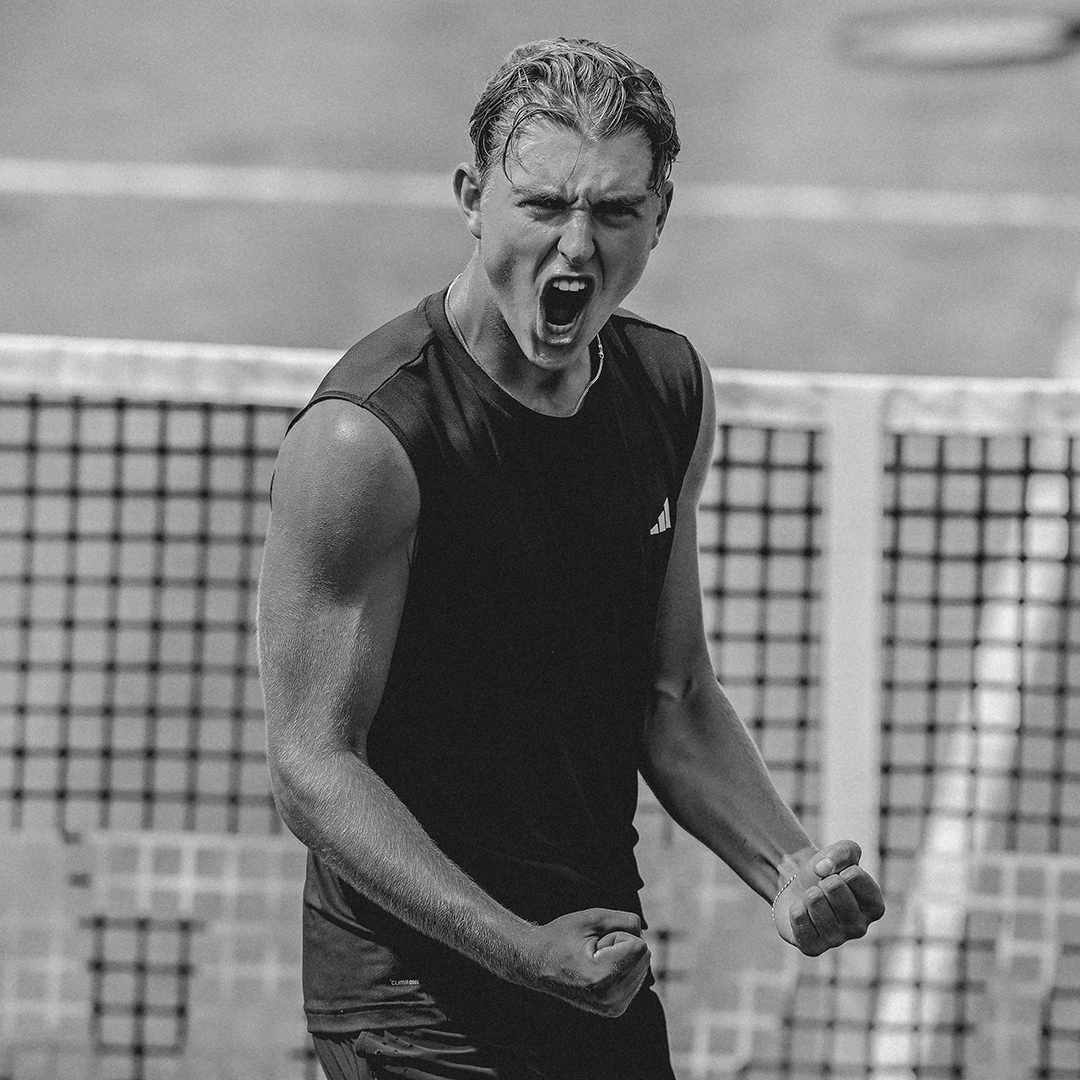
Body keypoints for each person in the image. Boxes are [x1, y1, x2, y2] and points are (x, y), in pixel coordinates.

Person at [258, 38, 885, 1080]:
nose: (578, 246)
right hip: (416, 1005)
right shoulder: (367, 442)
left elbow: (674, 695)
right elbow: (314, 768)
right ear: (472, 199)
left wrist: (786, 868)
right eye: (544, 205)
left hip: (594, 964)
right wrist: (517, 949)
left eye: (615, 211)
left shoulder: (667, 390)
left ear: (661, 216)